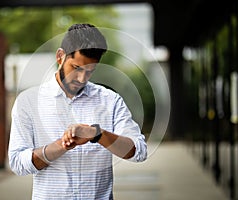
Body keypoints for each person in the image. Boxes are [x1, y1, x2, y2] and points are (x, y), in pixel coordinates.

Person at [8, 23, 147, 200]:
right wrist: (61, 145)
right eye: (76, 68)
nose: (82, 78)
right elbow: (17, 163)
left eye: (90, 71)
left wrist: (97, 134)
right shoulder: (28, 103)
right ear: (60, 56)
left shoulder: (110, 100)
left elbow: (139, 151)